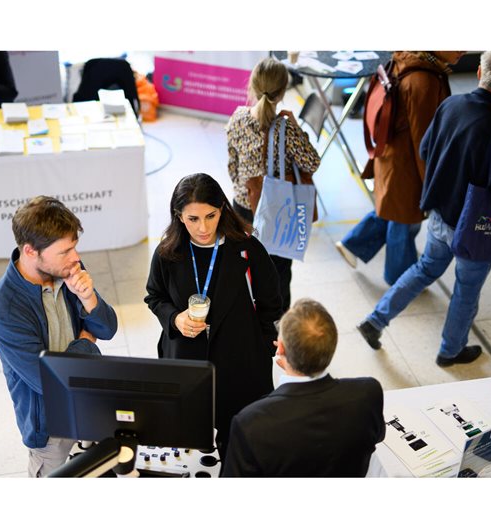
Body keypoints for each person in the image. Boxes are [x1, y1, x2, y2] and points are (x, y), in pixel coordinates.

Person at [356, 51, 491, 367]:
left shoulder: (450, 105)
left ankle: (375, 320)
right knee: (466, 289)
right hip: (476, 226)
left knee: (424, 269)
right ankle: (450, 350)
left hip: (441, 216)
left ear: (477, 72)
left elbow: (425, 149)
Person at [145, 173, 283, 458]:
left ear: (222, 209)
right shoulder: (167, 253)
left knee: (240, 442)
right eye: (193, 219)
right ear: (179, 216)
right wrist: (174, 319)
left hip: (240, 365)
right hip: (187, 362)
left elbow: (271, 301)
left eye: (211, 216)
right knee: (191, 441)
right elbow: (154, 296)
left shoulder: (247, 249)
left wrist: (262, 346)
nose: (203, 228)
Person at [0, 196, 118, 477]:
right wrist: (86, 341)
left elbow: (107, 329)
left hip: (87, 399)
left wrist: (88, 296)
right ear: (31, 251)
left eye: (75, 247)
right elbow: (51, 381)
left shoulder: (66, 270)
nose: (76, 258)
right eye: (66, 251)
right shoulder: (4, 313)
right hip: (50, 425)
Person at [336, 51, 465, 285]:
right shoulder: (423, 81)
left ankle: (352, 244)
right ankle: (399, 279)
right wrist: (432, 187)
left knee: (391, 208)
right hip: (406, 166)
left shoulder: (407, 57)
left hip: (391, 153)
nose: (463, 50)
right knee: (404, 221)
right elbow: (423, 142)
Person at [220, 298, 385, 477]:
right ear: (332, 346)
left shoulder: (250, 423)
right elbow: (375, 437)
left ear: (280, 348)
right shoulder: (368, 393)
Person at [226, 57, 321, 312]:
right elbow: (312, 163)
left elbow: (232, 167)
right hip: (278, 211)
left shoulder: (237, 118)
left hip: (243, 209)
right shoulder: (285, 128)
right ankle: (277, 322)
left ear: (253, 86)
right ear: (282, 92)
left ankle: (246, 314)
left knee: (245, 265)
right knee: (277, 270)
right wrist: (297, 128)